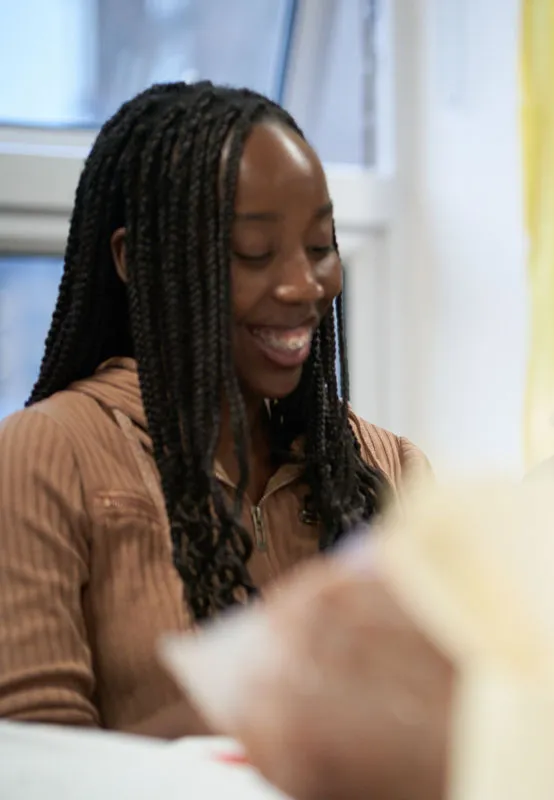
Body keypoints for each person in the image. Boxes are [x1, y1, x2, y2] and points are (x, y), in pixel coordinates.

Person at [0, 82, 431, 736]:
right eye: (255, 253)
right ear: (133, 261)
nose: (301, 285)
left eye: (319, 247)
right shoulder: (47, 455)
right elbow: (43, 763)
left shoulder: (390, 467)